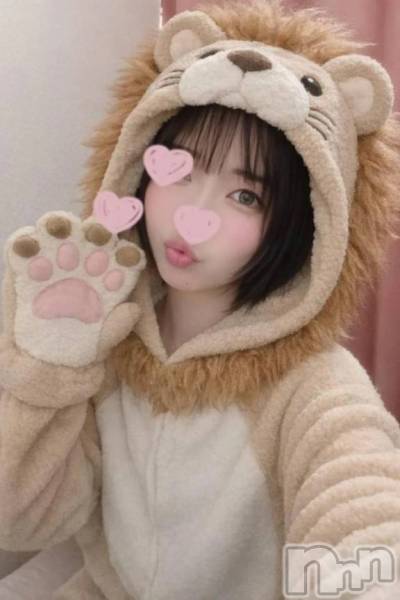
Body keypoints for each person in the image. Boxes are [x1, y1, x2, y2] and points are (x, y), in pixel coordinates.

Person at [1, 1, 400, 599]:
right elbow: (24, 522)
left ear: (306, 227)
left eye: (246, 197)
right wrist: (47, 366)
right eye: (180, 171)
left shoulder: (316, 388)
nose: (194, 215)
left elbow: (362, 512)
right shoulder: (102, 344)